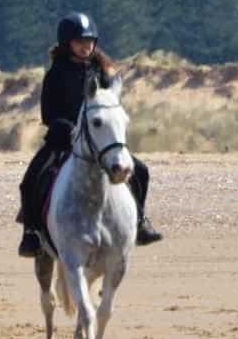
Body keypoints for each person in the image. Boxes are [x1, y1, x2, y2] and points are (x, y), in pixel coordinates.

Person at [16, 13, 163, 257]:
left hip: (100, 141)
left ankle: (140, 222)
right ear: (67, 44)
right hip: (63, 140)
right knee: (30, 180)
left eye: (89, 41)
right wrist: (69, 128)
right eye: (79, 41)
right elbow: (48, 114)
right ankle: (31, 233)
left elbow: (111, 106)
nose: (86, 46)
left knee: (141, 170)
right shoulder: (56, 73)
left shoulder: (103, 72)